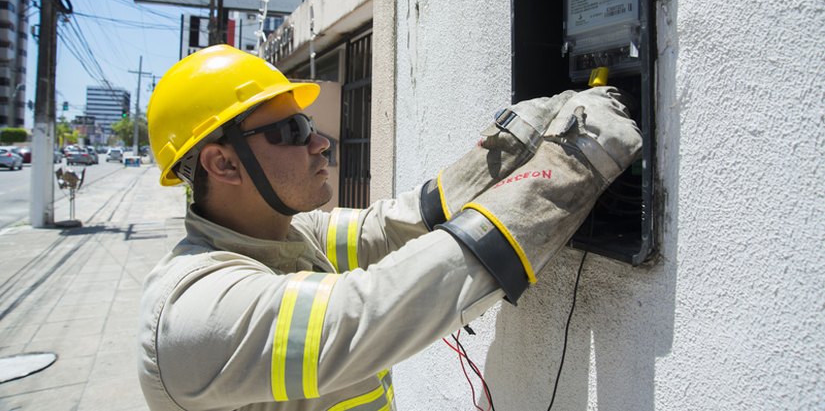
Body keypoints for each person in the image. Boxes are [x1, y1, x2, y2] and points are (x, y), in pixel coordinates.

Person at [138, 44, 642, 411]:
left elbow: (394, 228)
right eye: (291, 131)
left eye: (309, 125)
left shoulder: (287, 235)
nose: (320, 144)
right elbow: (371, 311)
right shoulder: (195, 314)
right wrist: (575, 160)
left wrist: (506, 150)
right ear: (223, 164)